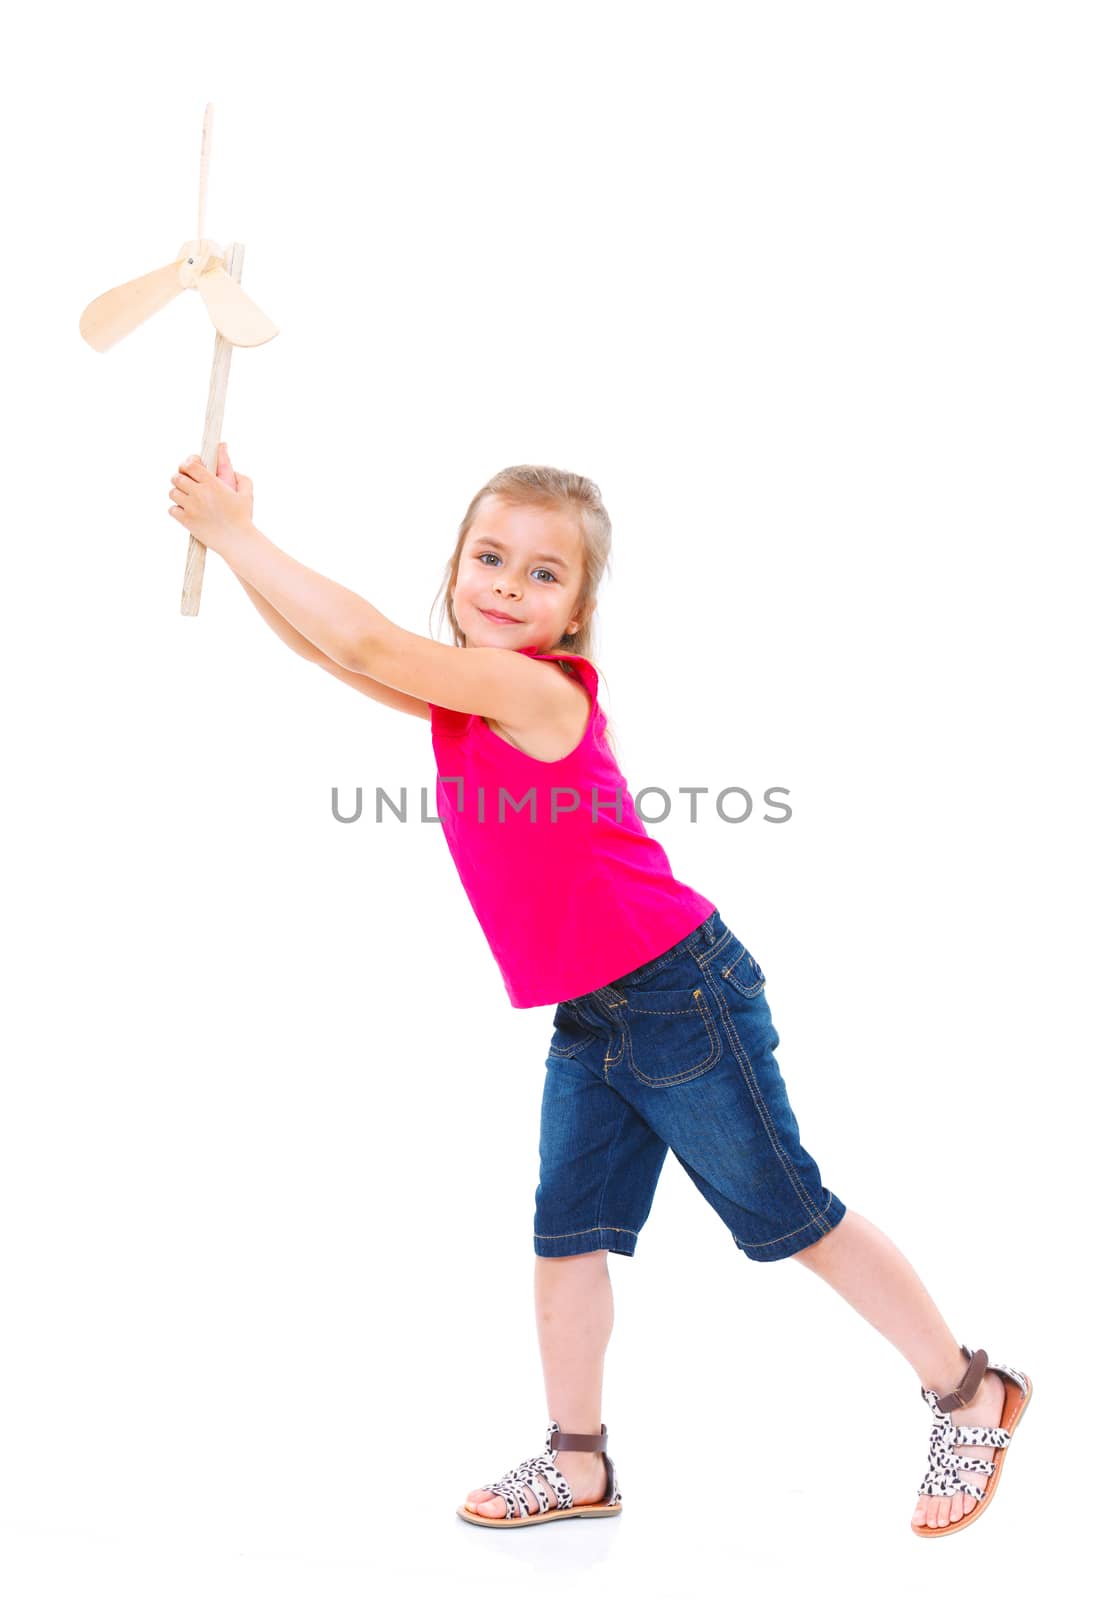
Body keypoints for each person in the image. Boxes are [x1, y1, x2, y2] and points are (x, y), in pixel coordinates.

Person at [167, 444, 1031, 1538]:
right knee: (566, 1237)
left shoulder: (530, 688)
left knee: (792, 1216)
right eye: (490, 557)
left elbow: (367, 638)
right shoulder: (465, 692)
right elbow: (338, 653)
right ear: (455, 565)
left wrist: (241, 535)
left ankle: (969, 1391)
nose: (507, 586)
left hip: (681, 997)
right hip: (595, 1014)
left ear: (575, 613)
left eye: (542, 574)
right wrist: (233, 548)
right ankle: (578, 1462)